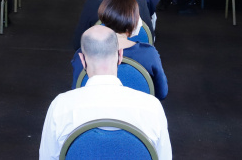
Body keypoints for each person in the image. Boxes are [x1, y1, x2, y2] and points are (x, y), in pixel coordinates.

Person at [40, 25, 172, 160]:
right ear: (120, 55)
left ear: (82, 60)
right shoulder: (152, 107)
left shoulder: (60, 107)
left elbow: (47, 157)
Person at [70, 0, 168, 100]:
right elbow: (162, 93)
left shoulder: (84, 54)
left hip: (93, 108)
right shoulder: (149, 54)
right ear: (134, 21)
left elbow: (77, 90)